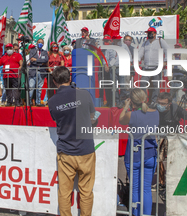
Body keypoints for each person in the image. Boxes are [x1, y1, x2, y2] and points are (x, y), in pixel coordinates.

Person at [48, 66, 97, 216]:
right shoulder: (84, 94)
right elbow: (92, 117)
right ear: (70, 78)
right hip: (86, 150)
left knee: (64, 192)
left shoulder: (52, 101)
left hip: (66, 151)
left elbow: (58, 120)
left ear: (55, 82)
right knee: (86, 192)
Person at [119, 88, 158, 216]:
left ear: (132, 102)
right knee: (146, 189)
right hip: (150, 153)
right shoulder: (156, 113)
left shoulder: (132, 115)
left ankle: (136, 213)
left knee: (135, 189)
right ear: (145, 99)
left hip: (134, 155)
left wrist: (125, 106)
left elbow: (121, 120)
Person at [156, 92, 187, 189]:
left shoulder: (176, 108)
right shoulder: (154, 107)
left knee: (174, 160)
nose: (160, 105)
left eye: (163, 104)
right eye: (159, 102)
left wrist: (185, 132)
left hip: (173, 137)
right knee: (158, 160)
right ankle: (162, 183)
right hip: (160, 136)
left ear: (169, 104)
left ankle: (174, 181)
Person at [138, 27, 170, 107]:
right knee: (143, 83)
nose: (149, 34)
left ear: (155, 33)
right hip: (146, 67)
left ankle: (154, 101)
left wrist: (165, 61)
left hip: (157, 66)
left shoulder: (160, 41)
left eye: (151, 32)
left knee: (156, 85)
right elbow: (140, 53)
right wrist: (136, 60)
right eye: (148, 33)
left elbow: (168, 50)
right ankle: (144, 101)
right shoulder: (145, 43)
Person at [103, 35, 132, 107]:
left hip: (122, 68)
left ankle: (122, 101)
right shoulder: (109, 47)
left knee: (123, 85)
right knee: (114, 86)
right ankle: (117, 101)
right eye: (117, 39)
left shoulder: (124, 46)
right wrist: (106, 65)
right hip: (113, 69)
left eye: (119, 39)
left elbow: (129, 55)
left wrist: (129, 62)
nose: (118, 40)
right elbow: (105, 58)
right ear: (113, 40)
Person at [28, 38, 49, 106]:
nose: (40, 43)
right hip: (33, 71)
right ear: (36, 43)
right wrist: (40, 61)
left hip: (41, 72)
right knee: (31, 87)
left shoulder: (45, 52)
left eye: (41, 42)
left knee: (39, 88)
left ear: (43, 44)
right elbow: (31, 60)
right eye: (39, 42)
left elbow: (45, 60)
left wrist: (36, 60)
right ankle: (29, 102)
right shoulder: (32, 51)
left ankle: (38, 102)